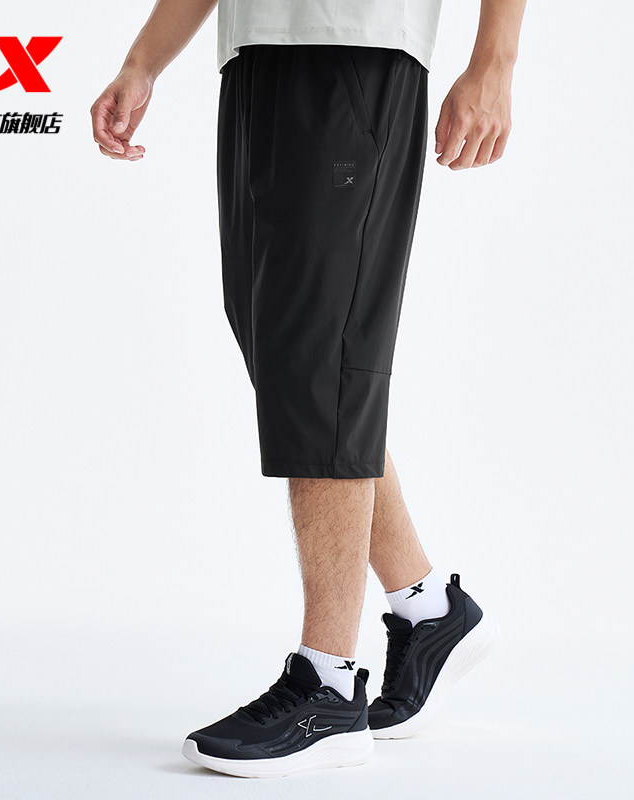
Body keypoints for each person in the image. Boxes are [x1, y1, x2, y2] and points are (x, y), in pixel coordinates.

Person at [91, 0, 526, 779]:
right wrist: (143, 60)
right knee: (293, 354)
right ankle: (429, 611)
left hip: (355, 45)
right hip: (256, 52)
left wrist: (494, 61)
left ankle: (329, 685)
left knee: (324, 355)